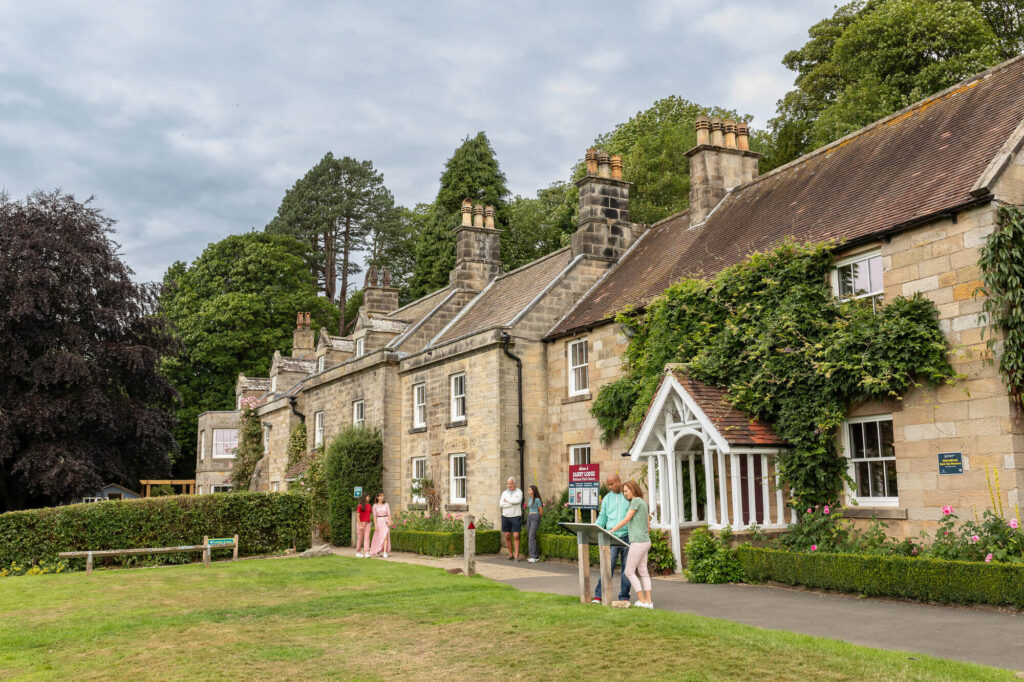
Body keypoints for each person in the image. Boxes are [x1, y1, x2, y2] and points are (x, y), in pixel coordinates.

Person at [611, 480, 653, 609]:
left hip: (638, 542)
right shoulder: (643, 502)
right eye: (624, 491)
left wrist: (612, 530)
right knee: (643, 571)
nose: (624, 494)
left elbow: (626, 519)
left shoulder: (635, 501)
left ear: (633, 490)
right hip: (646, 541)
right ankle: (648, 601)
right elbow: (648, 525)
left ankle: (641, 600)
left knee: (629, 571)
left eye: (626, 491)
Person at [593, 473, 630, 604]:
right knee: (607, 567)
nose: (609, 487)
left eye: (611, 484)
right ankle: (599, 595)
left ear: (618, 481)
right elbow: (603, 517)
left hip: (628, 537)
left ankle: (624, 597)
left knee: (627, 570)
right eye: (608, 484)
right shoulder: (607, 499)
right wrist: (595, 528)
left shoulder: (628, 496)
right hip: (612, 538)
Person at [499, 477, 524, 561]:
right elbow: (501, 504)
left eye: (511, 483)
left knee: (516, 535)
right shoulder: (504, 493)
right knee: (507, 535)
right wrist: (510, 503)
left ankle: (516, 555)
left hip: (516, 516)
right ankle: (510, 554)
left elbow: (518, 501)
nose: (510, 485)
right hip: (505, 516)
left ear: (514, 484)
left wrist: (507, 501)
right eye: (509, 484)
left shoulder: (519, 492)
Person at [367, 492, 392, 559]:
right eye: (380, 496)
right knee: (379, 537)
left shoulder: (386, 504)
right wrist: (375, 525)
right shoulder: (375, 506)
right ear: (377, 497)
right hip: (379, 521)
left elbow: (389, 513)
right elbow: (374, 516)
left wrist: (390, 521)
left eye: (383, 496)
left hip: (385, 521)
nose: (382, 497)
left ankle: (384, 552)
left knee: (385, 537)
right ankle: (378, 550)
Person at [525, 485, 544, 562]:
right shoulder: (530, 499)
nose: (528, 491)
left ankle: (534, 557)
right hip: (529, 517)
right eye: (528, 490)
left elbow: (541, 511)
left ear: (534, 490)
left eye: (530, 490)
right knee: (530, 537)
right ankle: (534, 556)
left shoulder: (537, 500)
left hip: (535, 517)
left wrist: (537, 518)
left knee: (532, 536)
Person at [355, 493, 373, 558]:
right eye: (368, 497)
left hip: (368, 523)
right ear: (364, 497)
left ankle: (367, 552)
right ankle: (358, 552)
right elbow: (357, 516)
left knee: (367, 538)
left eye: (369, 497)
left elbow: (370, 514)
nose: (369, 498)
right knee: (360, 538)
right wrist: (360, 525)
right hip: (361, 523)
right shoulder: (360, 506)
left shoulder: (369, 505)